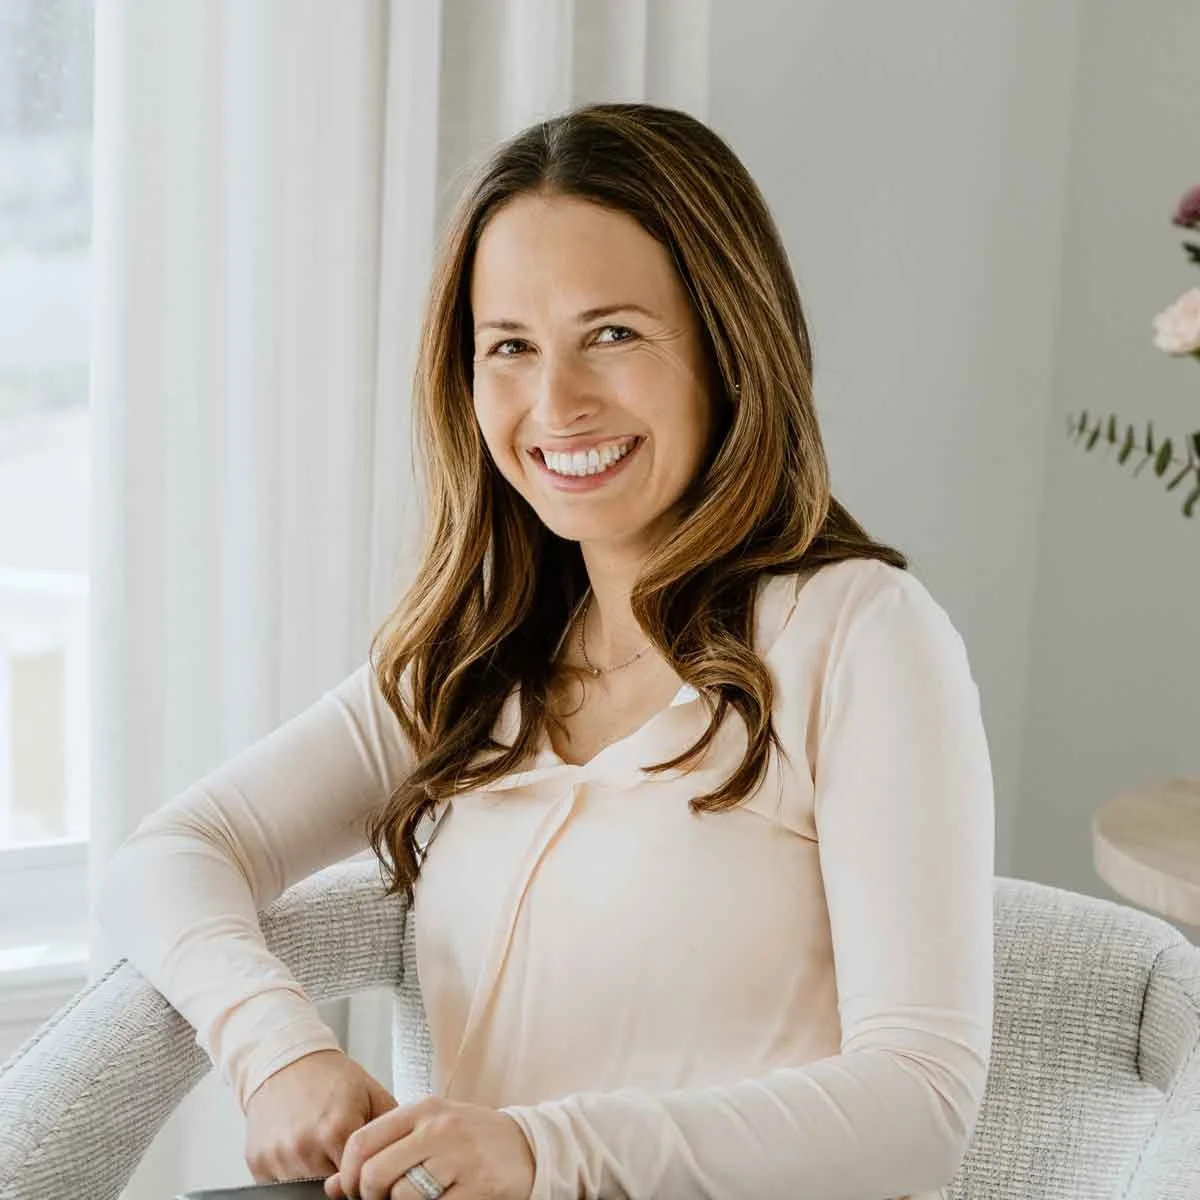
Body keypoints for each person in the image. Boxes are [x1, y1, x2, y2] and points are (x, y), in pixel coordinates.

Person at [96, 102, 995, 1200]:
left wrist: (545, 1151)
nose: (555, 403)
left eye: (612, 334)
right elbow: (171, 855)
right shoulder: (475, 659)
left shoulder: (862, 635)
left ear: (727, 345)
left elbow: (920, 1105)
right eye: (510, 348)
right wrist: (275, 1047)